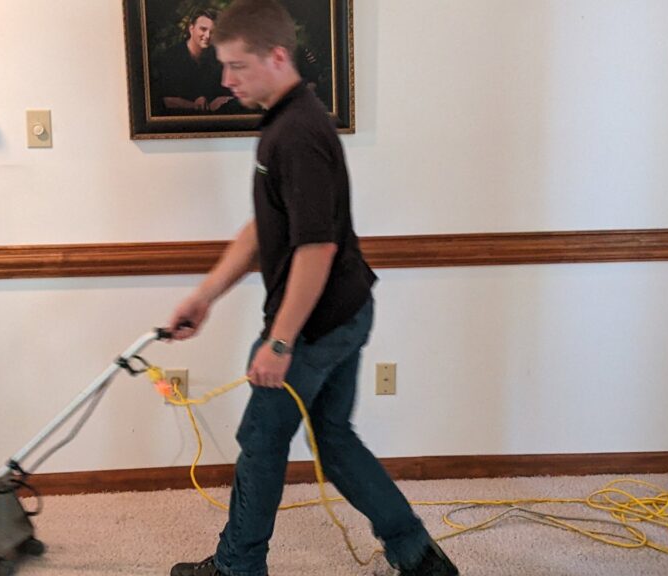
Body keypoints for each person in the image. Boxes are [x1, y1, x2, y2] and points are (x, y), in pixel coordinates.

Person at [164, 1, 459, 575]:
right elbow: (264, 226)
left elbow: (315, 249)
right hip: (346, 311)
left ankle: (237, 567)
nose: (226, 80)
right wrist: (205, 295)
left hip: (316, 325)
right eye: (222, 65)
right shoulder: (286, 121)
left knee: (261, 440)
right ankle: (419, 558)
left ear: (277, 56)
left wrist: (280, 342)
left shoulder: (296, 133)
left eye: (237, 66)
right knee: (333, 437)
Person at [157, 9, 234, 114]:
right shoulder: (171, 57)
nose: (207, 35)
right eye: (203, 29)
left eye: (212, 32)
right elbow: (166, 99)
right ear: (191, 28)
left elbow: (227, 93)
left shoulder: (218, 58)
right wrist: (196, 105)